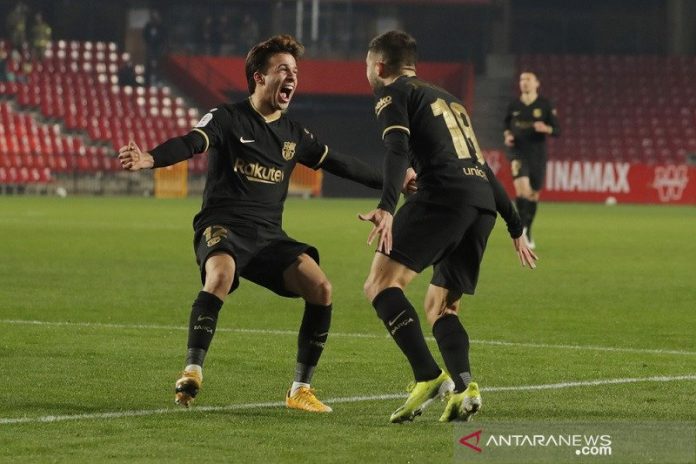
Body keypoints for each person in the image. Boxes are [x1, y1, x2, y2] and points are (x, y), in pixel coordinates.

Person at [118, 35, 412, 413]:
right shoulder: (227, 117)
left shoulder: (294, 134)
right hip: (223, 225)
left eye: (295, 71)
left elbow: (340, 163)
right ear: (259, 76)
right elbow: (191, 142)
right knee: (220, 274)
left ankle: (300, 390)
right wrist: (149, 160)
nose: (292, 77)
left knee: (321, 288)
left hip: (269, 237)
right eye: (283, 70)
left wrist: (394, 180)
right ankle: (192, 370)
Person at [358, 31, 538, 423]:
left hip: (443, 195)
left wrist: (387, 206)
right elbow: (482, 166)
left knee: (380, 285)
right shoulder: (450, 99)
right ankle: (464, 387)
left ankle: (428, 376)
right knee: (442, 306)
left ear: (380, 66)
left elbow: (395, 149)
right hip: (481, 207)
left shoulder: (393, 94)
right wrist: (514, 224)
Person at [503, 71, 560, 249]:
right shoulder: (514, 105)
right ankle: (521, 230)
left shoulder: (545, 105)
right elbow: (506, 125)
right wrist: (507, 136)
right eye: (521, 79)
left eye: (528, 79)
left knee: (533, 194)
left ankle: (528, 229)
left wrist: (546, 128)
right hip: (517, 152)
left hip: (537, 154)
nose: (524, 82)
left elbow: (557, 130)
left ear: (537, 83)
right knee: (522, 190)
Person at [142, 11, 166, 85]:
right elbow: (145, 35)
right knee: (149, 63)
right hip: (150, 46)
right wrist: (149, 42)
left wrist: (161, 45)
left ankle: (158, 79)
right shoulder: (148, 26)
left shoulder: (161, 27)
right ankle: (147, 80)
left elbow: (164, 37)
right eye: (153, 18)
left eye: (156, 18)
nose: (155, 20)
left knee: (158, 64)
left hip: (158, 47)